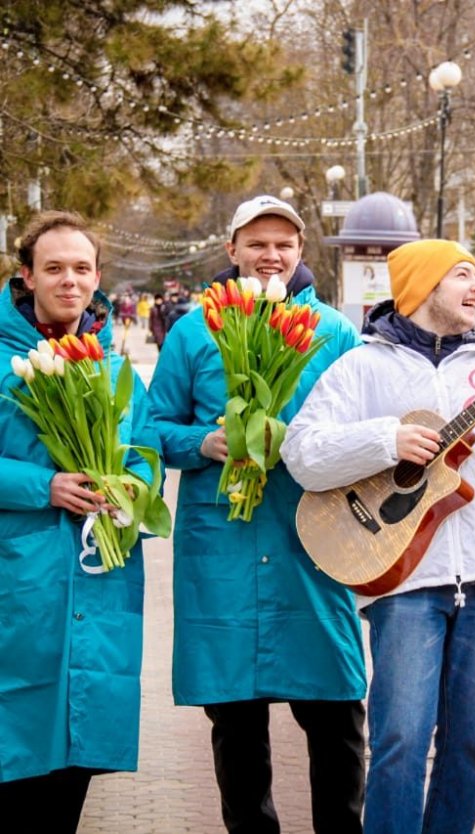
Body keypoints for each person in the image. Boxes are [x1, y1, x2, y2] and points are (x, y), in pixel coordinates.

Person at [282, 238, 475, 834]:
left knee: (470, 746)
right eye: (463, 274)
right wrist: (386, 441)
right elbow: (301, 454)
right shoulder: (361, 367)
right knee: (401, 741)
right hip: (406, 580)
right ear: (422, 288)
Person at [148, 195, 367, 834]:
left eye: (284, 244)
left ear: (299, 251)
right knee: (235, 718)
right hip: (225, 542)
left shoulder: (334, 332)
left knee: (335, 708)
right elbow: (154, 426)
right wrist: (203, 443)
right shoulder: (195, 330)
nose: (271, 256)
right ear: (232, 250)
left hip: (312, 541)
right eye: (257, 243)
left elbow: (364, 425)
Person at [0, 211, 161, 832]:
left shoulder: (113, 370)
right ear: (27, 276)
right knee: (17, 753)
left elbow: (144, 451)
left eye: (82, 268)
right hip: (24, 585)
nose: (70, 280)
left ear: (98, 278)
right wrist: (44, 486)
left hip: (96, 583)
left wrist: (132, 494)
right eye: (55, 268)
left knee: (71, 768)